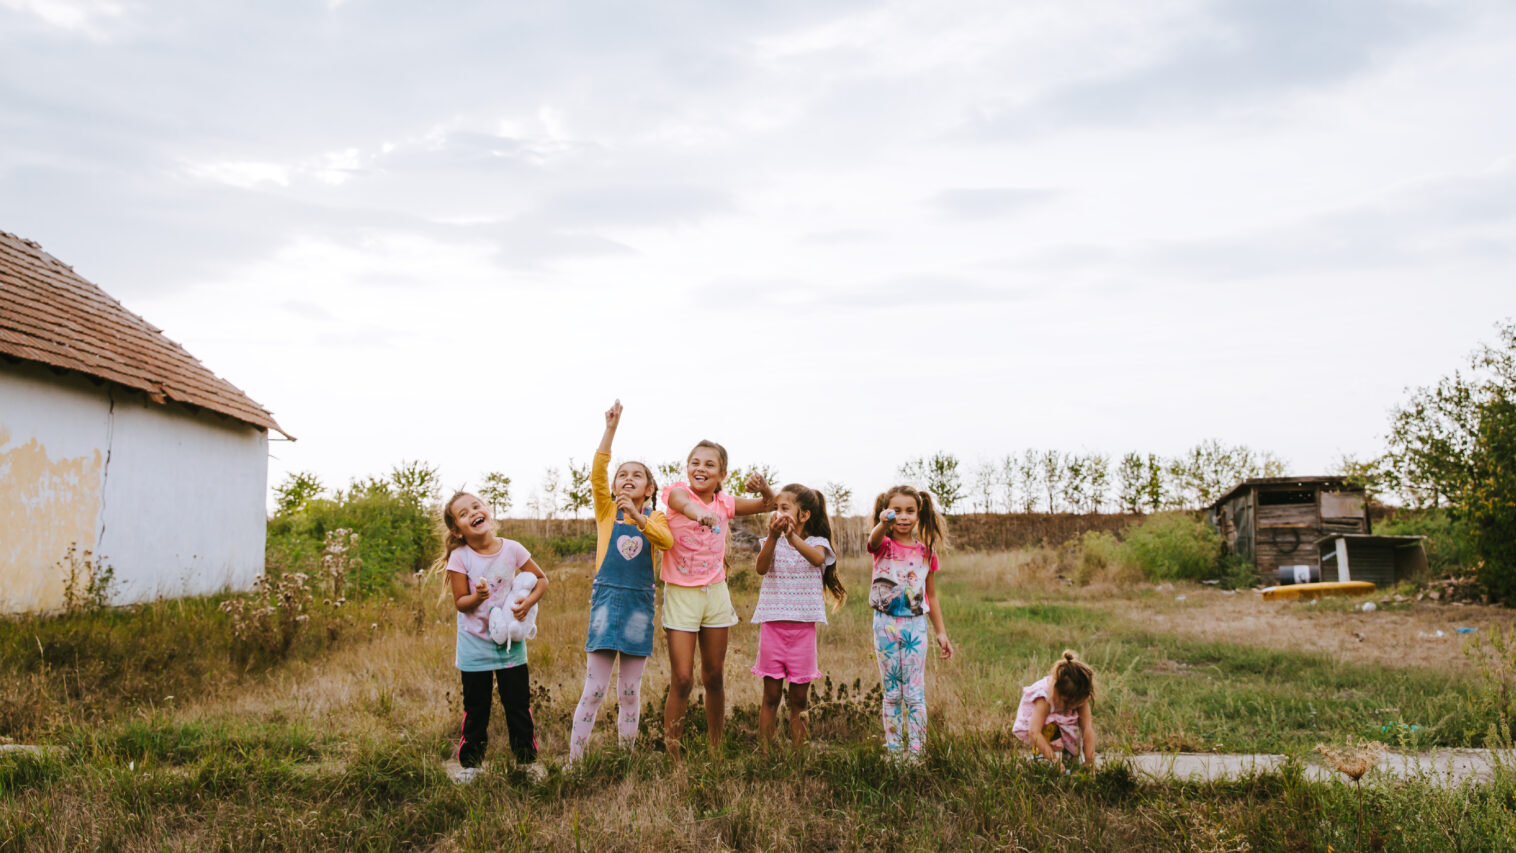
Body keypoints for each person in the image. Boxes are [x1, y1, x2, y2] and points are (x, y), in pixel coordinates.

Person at [568, 400, 672, 762]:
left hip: (639, 606)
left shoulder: (656, 518)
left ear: (649, 487)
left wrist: (638, 518)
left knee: (629, 690)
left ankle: (625, 759)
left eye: (637, 475)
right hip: (606, 599)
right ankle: (574, 763)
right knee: (594, 689)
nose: (628, 478)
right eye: (622, 474)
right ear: (614, 485)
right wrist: (611, 428)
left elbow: (666, 542)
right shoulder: (605, 510)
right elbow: (597, 471)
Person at [661, 440, 775, 760]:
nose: (701, 468)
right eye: (695, 462)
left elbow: (770, 505)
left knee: (713, 676)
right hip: (682, 595)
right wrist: (701, 514)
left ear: (722, 473)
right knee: (682, 679)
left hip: (715, 593)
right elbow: (687, 505)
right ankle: (674, 756)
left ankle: (716, 749)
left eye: (709, 465)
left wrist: (765, 488)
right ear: (687, 468)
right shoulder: (675, 492)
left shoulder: (725, 502)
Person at [440, 491, 548, 774]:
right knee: (476, 708)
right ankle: (471, 767)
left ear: (487, 511)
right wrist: (478, 597)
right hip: (474, 646)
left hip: (510, 645)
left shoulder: (513, 548)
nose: (473, 512)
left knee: (518, 706)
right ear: (457, 530)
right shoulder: (460, 557)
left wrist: (529, 602)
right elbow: (461, 603)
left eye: (476, 506)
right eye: (463, 513)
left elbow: (541, 579)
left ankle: (527, 763)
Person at [751, 483, 845, 753]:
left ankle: (798, 754)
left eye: (784, 508)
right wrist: (772, 537)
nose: (777, 513)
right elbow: (760, 568)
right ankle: (765, 753)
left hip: (803, 631)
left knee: (799, 699)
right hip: (773, 628)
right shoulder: (772, 541)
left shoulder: (818, 543)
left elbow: (817, 559)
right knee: (770, 696)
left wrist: (792, 538)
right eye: (776, 508)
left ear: (803, 515)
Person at [867, 485, 954, 760]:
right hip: (885, 625)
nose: (903, 517)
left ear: (919, 514)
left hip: (916, 626)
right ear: (886, 512)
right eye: (897, 511)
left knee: (915, 694)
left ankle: (916, 754)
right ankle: (894, 753)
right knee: (892, 693)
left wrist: (941, 633)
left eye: (909, 511)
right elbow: (871, 542)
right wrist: (882, 524)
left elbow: (931, 595)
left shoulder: (926, 552)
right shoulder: (883, 545)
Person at [1013, 650, 1098, 773]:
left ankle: (1071, 761)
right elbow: (1034, 732)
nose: (1071, 707)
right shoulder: (1044, 697)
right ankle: (1041, 759)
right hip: (1038, 724)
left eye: (1076, 704)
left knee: (1073, 727)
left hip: (1063, 722)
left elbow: (1087, 729)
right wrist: (1053, 760)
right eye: (1067, 703)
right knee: (1049, 726)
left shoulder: (1079, 695)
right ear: (1056, 690)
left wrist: (1089, 762)